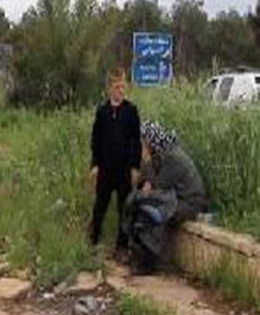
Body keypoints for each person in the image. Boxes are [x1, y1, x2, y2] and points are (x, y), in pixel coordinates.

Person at [124, 121, 208, 275]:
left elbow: (158, 185)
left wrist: (147, 164)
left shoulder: (172, 157)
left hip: (189, 203)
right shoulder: (160, 154)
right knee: (135, 201)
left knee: (149, 212)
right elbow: (145, 182)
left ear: (149, 141)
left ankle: (149, 261)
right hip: (173, 198)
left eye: (141, 141)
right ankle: (137, 253)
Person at [89, 68, 142, 256]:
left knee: (124, 208)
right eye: (117, 87)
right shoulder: (102, 111)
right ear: (110, 88)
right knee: (100, 205)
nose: (121, 90)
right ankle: (93, 240)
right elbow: (96, 140)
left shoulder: (131, 111)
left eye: (123, 87)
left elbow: (136, 140)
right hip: (105, 168)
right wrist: (94, 165)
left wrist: (135, 166)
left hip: (124, 168)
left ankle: (122, 245)